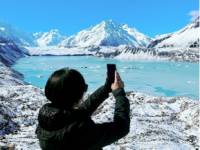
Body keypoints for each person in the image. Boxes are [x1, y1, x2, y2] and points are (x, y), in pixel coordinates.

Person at [36, 67, 130, 150]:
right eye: (84, 88)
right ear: (76, 95)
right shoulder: (81, 130)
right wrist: (119, 94)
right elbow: (121, 128)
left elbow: (80, 113)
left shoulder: (46, 120)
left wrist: (106, 88)